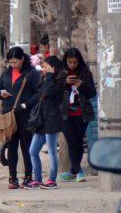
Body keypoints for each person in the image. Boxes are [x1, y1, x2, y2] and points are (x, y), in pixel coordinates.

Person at [0, 46, 40, 189]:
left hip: (25, 115)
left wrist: (26, 104)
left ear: (22, 59)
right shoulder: (6, 73)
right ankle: (12, 178)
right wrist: (0, 94)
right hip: (9, 115)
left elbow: (38, 94)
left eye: (15, 62)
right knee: (11, 146)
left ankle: (28, 177)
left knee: (26, 147)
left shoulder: (32, 73)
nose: (13, 65)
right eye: (11, 62)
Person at [26, 56, 65, 190]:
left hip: (52, 119)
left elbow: (48, 92)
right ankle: (37, 179)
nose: (44, 69)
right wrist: (25, 104)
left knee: (52, 150)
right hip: (41, 120)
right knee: (33, 151)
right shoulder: (45, 80)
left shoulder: (58, 82)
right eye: (44, 66)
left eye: (46, 67)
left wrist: (49, 76)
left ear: (53, 68)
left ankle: (52, 180)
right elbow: (39, 95)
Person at [59, 47, 97, 183]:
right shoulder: (61, 72)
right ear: (66, 61)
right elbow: (53, 89)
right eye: (70, 62)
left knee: (78, 142)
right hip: (65, 114)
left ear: (79, 61)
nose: (72, 65)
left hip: (82, 113)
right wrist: (64, 83)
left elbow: (92, 93)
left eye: (75, 62)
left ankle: (73, 171)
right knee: (72, 142)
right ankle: (78, 171)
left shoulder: (85, 73)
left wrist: (81, 85)